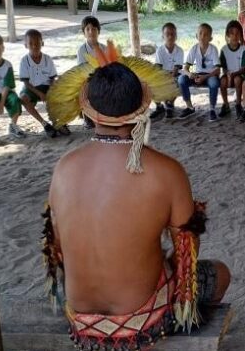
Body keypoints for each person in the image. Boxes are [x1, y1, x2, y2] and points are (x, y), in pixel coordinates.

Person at [43, 47, 230, 351]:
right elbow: (186, 255)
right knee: (219, 274)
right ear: (143, 105)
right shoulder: (167, 171)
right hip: (141, 320)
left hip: (80, 318)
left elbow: (58, 250)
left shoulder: (63, 168)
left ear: (85, 105)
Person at [18, 29, 60, 137]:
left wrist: (50, 91)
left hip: (46, 86)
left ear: (42, 43)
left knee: (60, 93)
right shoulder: (24, 61)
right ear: (25, 45)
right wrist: (39, 94)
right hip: (31, 87)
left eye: (37, 43)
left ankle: (58, 122)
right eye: (30, 43)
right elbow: (26, 83)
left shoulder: (48, 59)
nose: (34, 46)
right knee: (23, 98)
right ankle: (44, 124)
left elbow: (52, 79)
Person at [178, 23, 221, 122]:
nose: (202, 36)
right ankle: (189, 107)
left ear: (210, 38)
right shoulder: (194, 49)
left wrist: (205, 77)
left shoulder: (213, 49)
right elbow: (186, 68)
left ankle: (212, 109)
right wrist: (190, 74)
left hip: (210, 76)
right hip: (197, 75)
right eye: (200, 33)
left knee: (214, 83)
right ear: (196, 36)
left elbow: (218, 70)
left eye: (206, 34)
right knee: (181, 79)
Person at [150, 22, 184, 120]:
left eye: (172, 34)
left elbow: (176, 69)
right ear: (163, 36)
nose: (170, 37)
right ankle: (159, 106)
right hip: (162, 74)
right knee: (150, 83)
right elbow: (158, 68)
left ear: (176, 36)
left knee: (179, 83)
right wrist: (163, 76)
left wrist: (170, 76)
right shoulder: (160, 50)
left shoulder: (179, 51)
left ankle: (170, 104)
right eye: (167, 34)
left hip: (175, 74)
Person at [218, 20, 245, 118]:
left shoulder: (244, 49)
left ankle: (238, 104)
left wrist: (234, 74)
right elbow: (224, 67)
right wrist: (228, 74)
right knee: (222, 81)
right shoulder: (224, 50)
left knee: (237, 79)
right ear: (227, 35)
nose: (235, 36)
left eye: (237, 33)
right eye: (232, 33)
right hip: (228, 75)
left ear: (240, 35)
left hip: (239, 74)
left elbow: (244, 69)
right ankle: (226, 105)